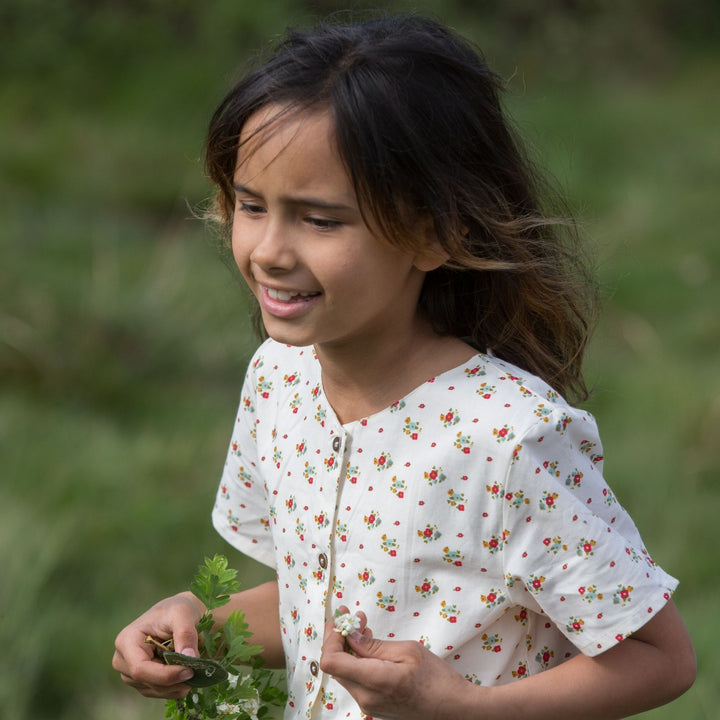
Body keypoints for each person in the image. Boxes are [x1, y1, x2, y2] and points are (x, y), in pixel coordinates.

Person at [113, 13, 696, 719]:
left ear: (433, 234)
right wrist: (200, 629)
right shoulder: (278, 380)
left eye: (320, 219)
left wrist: (464, 708)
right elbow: (320, 604)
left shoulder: (510, 438)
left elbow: (659, 658)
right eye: (251, 205)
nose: (268, 249)